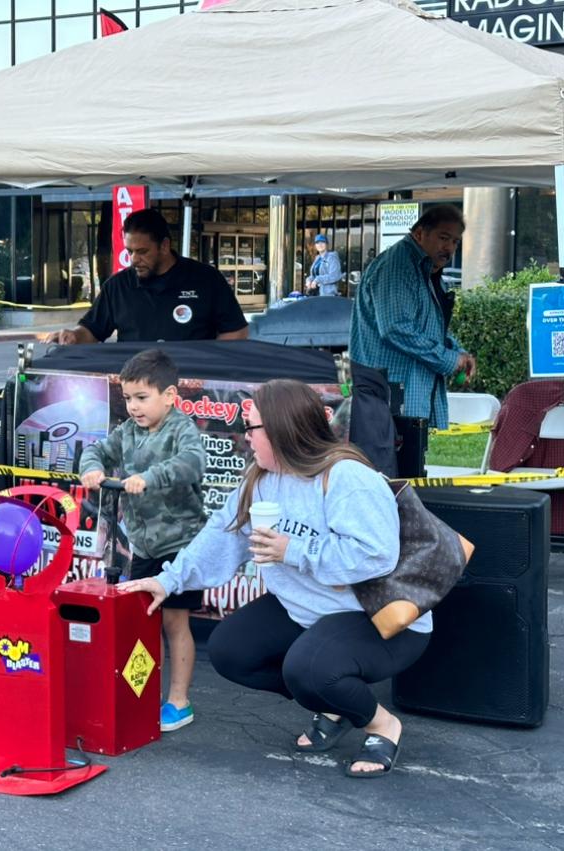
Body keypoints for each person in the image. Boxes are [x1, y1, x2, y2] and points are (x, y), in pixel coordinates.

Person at [120, 379, 429, 777]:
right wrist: (167, 581)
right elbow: (220, 533)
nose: (245, 438)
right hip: (310, 611)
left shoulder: (347, 476)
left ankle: (381, 723)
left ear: (283, 430)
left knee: (307, 669)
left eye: (252, 429)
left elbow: (377, 555)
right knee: (231, 652)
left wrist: (293, 551)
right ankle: (333, 704)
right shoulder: (260, 479)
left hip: (382, 618)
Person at [79, 348, 207, 732]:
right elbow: (96, 450)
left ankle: (179, 700)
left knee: (174, 620)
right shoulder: (128, 431)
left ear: (169, 396)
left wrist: (150, 476)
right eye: (128, 398)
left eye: (142, 398)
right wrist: (92, 469)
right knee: (143, 621)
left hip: (179, 543)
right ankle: (141, 691)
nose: (133, 407)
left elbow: (191, 463)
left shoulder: (181, 428)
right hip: (143, 545)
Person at [349, 204, 477, 429]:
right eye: (443, 238)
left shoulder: (424, 269)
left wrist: (457, 353)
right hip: (391, 396)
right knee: (393, 463)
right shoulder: (398, 265)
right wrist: (448, 359)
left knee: (411, 461)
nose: (449, 248)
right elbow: (395, 327)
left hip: (405, 395)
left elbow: (428, 326)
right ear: (419, 234)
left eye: (455, 242)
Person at [45, 208, 248, 344]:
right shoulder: (117, 286)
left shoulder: (206, 279)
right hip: (135, 392)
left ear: (165, 246)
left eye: (142, 252)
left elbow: (237, 331)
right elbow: (92, 330)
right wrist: (74, 336)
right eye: (129, 251)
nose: (134, 259)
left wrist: (210, 369)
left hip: (192, 390)